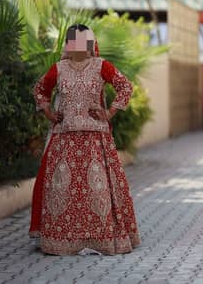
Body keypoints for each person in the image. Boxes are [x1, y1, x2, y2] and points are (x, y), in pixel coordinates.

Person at [28, 23, 141, 255]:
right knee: (63, 191)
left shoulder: (102, 67)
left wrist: (109, 113)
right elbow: (39, 90)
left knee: (97, 192)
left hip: (95, 142)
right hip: (65, 141)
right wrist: (49, 113)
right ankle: (63, 241)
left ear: (90, 44)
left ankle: (100, 240)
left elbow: (125, 87)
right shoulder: (58, 69)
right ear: (68, 45)